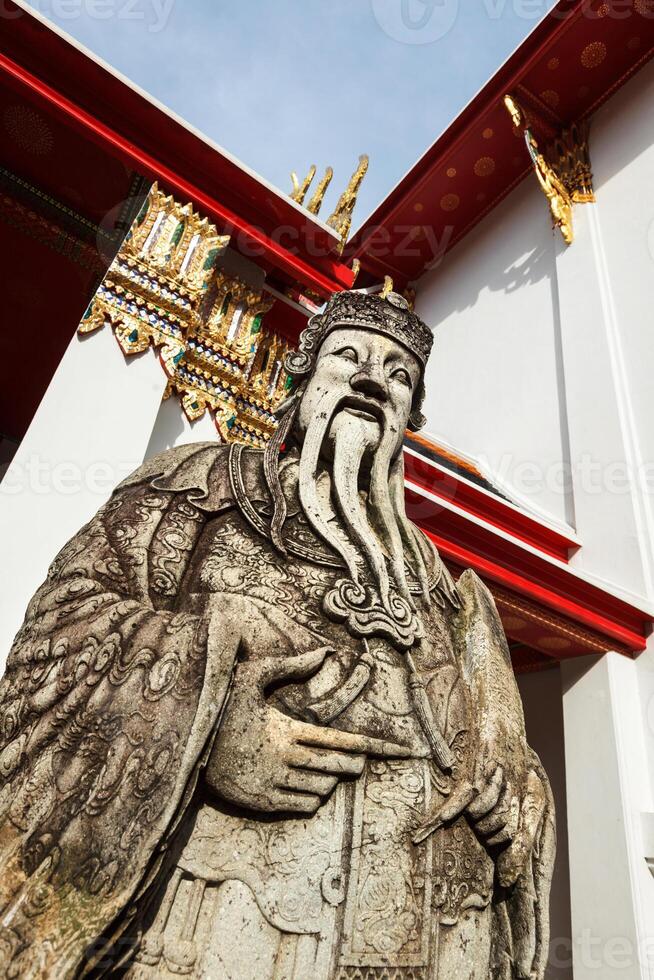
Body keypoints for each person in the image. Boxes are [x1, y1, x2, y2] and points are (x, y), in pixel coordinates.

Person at [0, 289, 554, 979]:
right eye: (346, 357)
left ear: (411, 418)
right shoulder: (201, 489)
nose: (371, 380)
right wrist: (204, 716)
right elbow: (59, 629)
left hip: (432, 941)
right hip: (221, 927)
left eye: (399, 375)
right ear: (300, 386)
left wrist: (519, 797)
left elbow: (503, 761)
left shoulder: (446, 589)